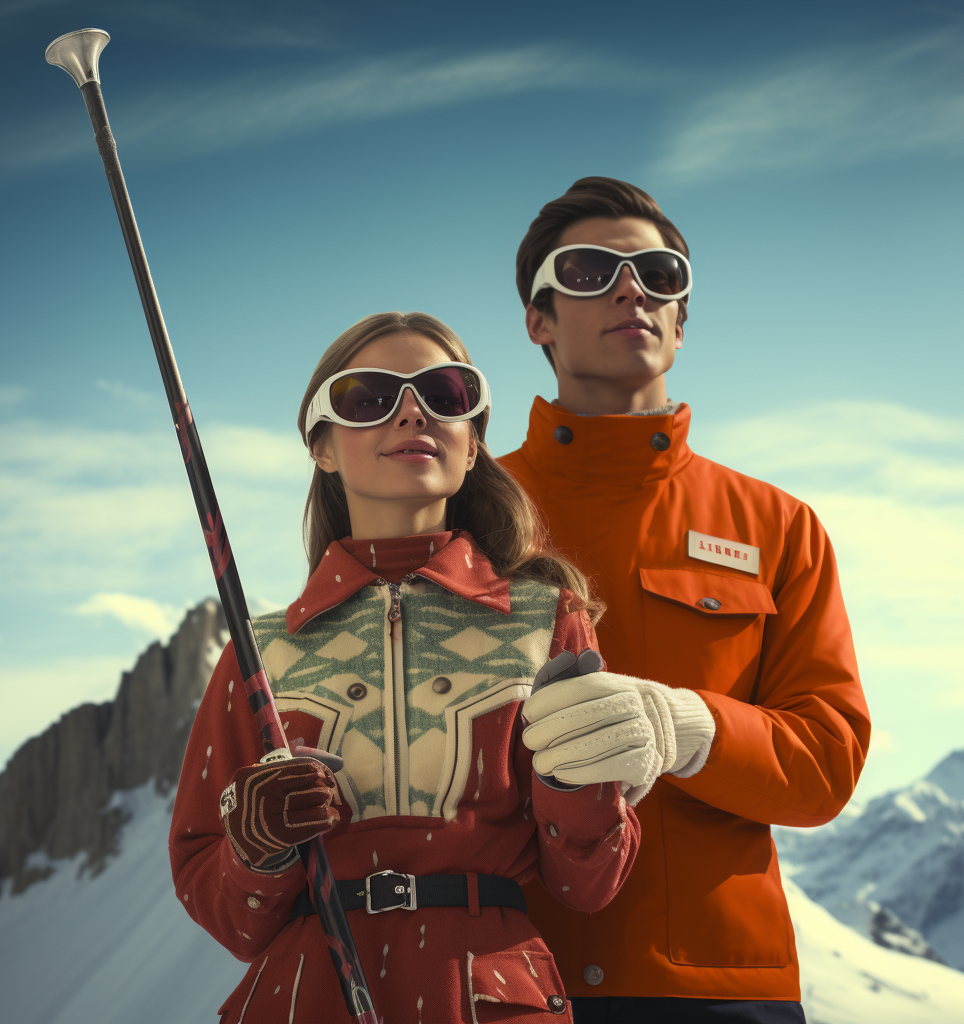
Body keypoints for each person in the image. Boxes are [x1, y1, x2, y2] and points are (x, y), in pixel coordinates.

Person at [169, 311, 648, 1023]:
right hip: (303, 999)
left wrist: (573, 784)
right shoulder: (260, 648)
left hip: (488, 1001)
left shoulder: (547, 619)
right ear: (322, 446)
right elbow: (225, 915)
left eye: (446, 393)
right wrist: (257, 848)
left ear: (473, 442)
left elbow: (592, 883)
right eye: (369, 398)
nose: (412, 411)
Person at [500, 178, 871, 1023]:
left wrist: (690, 729)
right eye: (591, 269)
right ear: (539, 321)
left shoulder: (779, 526)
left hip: (718, 991)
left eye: (659, 274)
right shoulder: (466, 518)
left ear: (682, 319)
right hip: (505, 979)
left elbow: (826, 766)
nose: (631, 288)